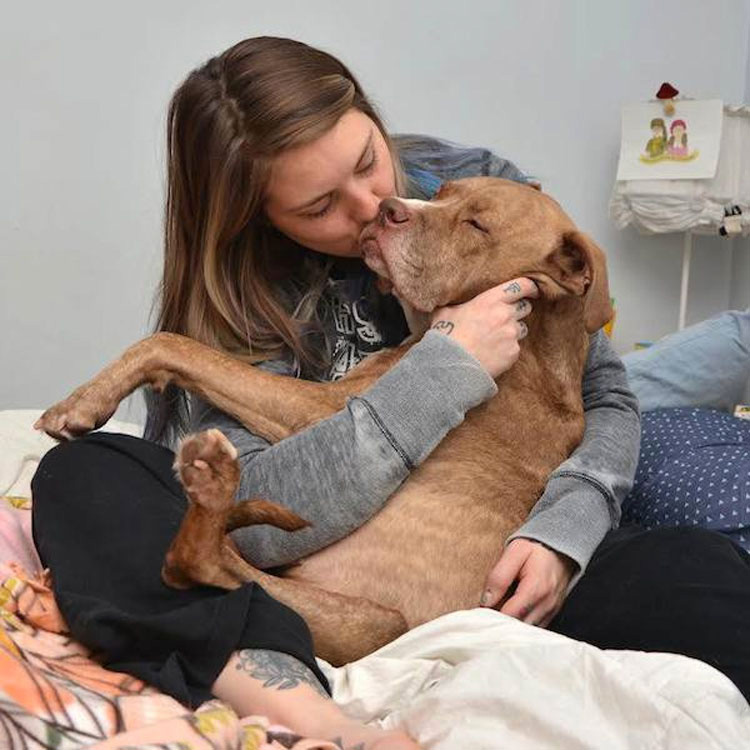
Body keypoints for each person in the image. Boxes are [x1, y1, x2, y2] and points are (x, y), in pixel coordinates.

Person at [31, 35, 750, 749]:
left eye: (371, 161)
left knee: (697, 568)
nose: (378, 205)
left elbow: (607, 397)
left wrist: (564, 533)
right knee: (87, 470)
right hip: (294, 574)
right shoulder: (236, 308)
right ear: (262, 218)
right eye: (320, 207)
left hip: (504, 579)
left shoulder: (474, 182)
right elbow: (249, 514)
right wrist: (444, 371)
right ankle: (313, 714)